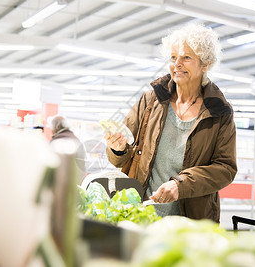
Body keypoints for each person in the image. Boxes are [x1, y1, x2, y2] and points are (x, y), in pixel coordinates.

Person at [104, 23, 237, 222]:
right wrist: (118, 148)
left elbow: (225, 168)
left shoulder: (219, 113)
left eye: (186, 57)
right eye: (173, 57)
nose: (177, 64)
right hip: (141, 214)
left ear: (204, 64)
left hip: (190, 221)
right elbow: (122, 156)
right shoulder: (150, 101)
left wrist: (180, 184)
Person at [49, 115, 86, 183]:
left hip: (64, 183)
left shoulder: (56, 141)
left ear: (55, 127)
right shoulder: (76, 139)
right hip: (80, 181)